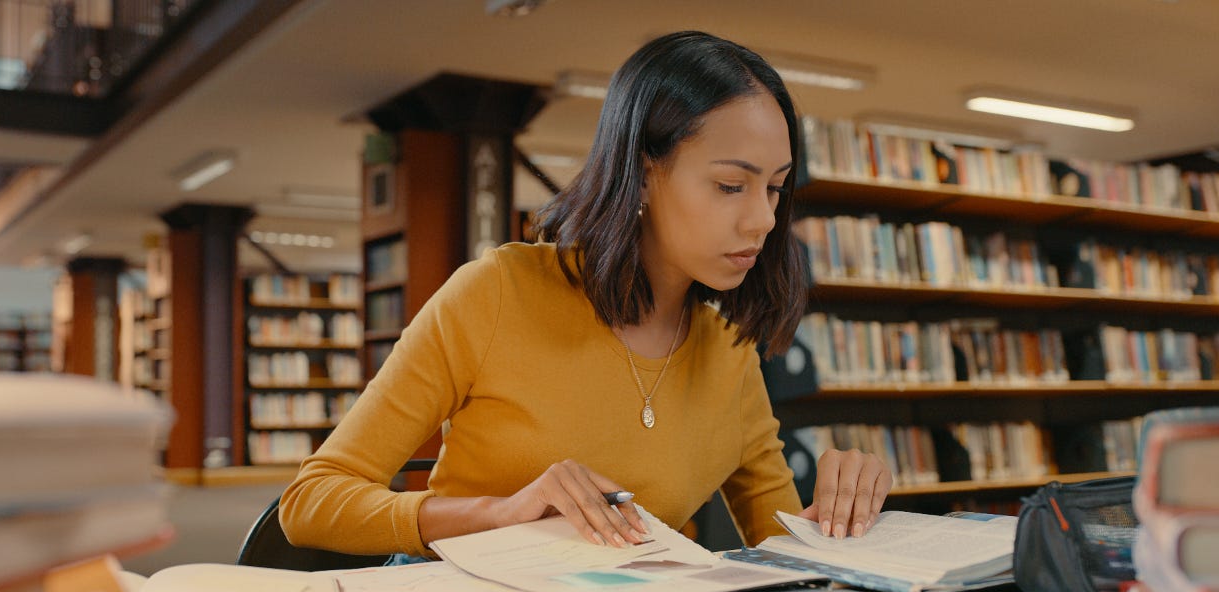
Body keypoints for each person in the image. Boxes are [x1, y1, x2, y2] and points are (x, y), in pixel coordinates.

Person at [280, 30, 894, 561]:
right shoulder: (497, 293)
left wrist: (842, 516)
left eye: (777, 189)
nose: (762, 219)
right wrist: (498, 513)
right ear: (643, 171)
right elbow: (311, 501)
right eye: (731, 185)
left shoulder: (728, 348)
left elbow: (782, 552)